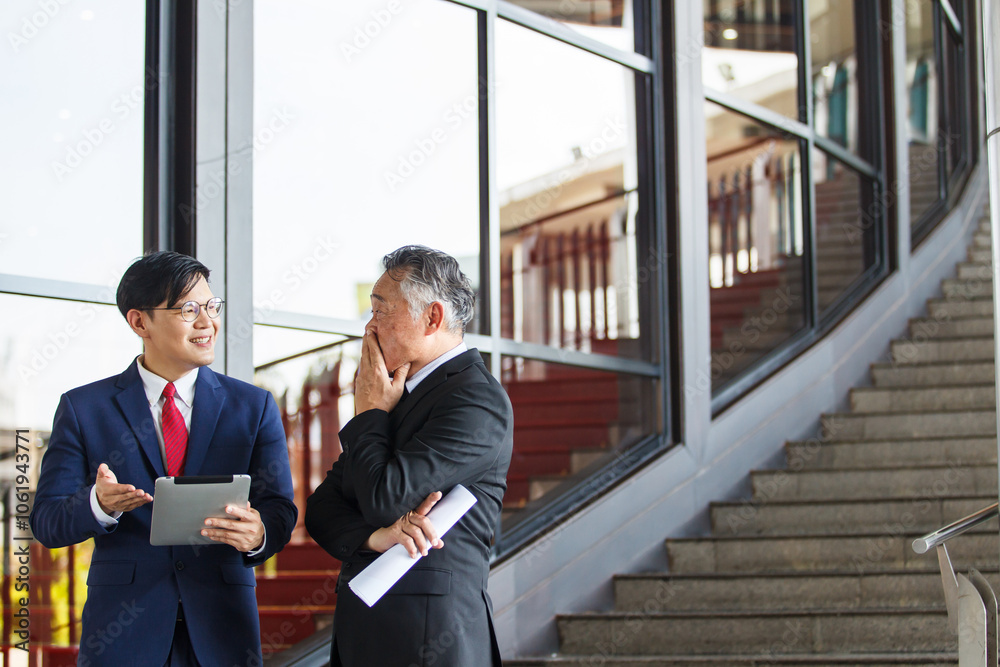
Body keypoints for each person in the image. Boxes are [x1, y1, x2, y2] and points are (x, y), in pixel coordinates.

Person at [30, 251, 297, 667]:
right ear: (140, 322)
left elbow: (280, 510)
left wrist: (259, 532)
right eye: (188, 309)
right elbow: (46, 522)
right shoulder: (85, 408)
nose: (207, 322)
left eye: (212, 306)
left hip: (222, 630)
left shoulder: (253, 406)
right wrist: (97, 505)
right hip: (122, 634)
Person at [305, 245, 513, 667]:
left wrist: (371, 413)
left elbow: (384, 497)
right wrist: (373, 536)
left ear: (432, 317)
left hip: (430, 642)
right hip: (365, 637)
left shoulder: (476, 401)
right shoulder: (396, 395)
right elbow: (321, 509)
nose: (370, 326)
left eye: (381, 311)